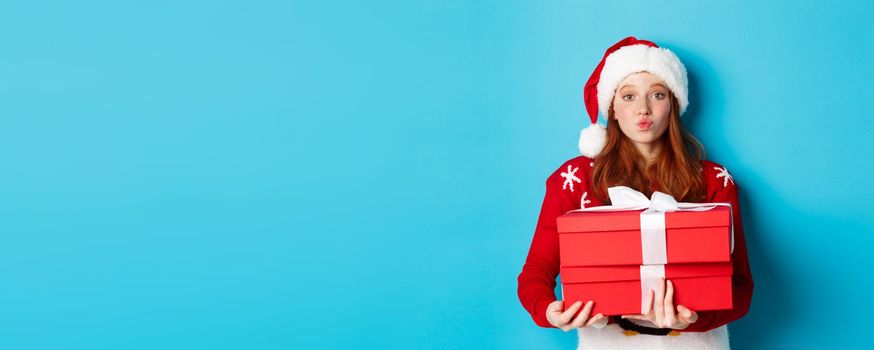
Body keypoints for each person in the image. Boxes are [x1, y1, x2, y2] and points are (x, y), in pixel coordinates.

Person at [516, 36, 754, 350]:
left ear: (674, 104)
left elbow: (740, 287)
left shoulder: (714, 181)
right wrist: (550, 311)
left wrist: (695, 319)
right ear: (612, 108)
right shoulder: (574, 179)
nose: (643, 108)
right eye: (628, 96)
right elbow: (536, 271)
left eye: (657, 94)